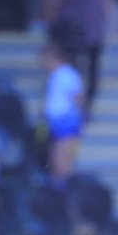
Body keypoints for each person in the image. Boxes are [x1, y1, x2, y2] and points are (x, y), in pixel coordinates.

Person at [40, 41, 84, 185]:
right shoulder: (55, 76)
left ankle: (67, 191)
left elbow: (78, 98)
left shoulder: (67, 75)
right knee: (54, 160)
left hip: (67, 124)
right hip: (56, 124)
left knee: (63, 161)